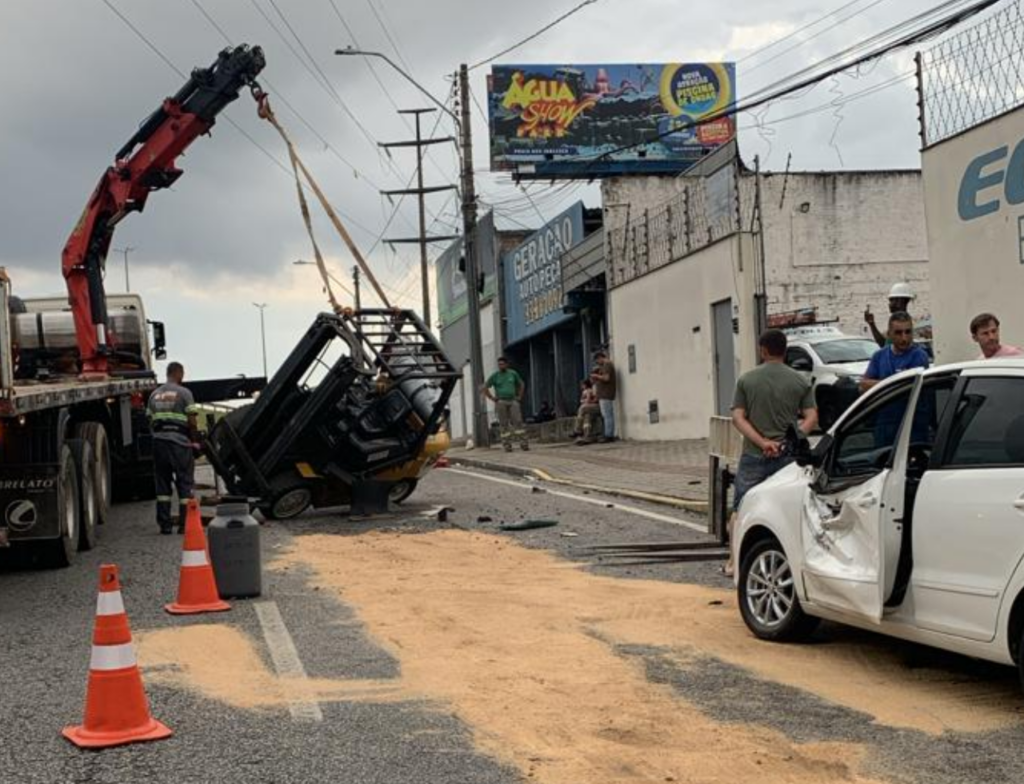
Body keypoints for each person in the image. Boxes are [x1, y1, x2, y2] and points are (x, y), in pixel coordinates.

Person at [728, 329, 818, 576]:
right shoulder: (799, 381)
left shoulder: (747, 380)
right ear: (785, 350)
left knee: (741, 508)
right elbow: (812, 416)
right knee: (784, 510)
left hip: (754, 455)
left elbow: (738, 417)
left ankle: (734, 562)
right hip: (787, 457)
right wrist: (791, 439)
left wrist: (763, 441)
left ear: (763, 350)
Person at [147, 362, 200, 535]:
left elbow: (149, 420)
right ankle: (185, 525)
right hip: (179, 443)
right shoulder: (184, 393)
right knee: (184, 482)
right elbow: (192, 421)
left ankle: (165, 525)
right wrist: (195, 441)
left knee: (162, 484)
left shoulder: (154, 394)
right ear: (180, 374)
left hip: (159, 443)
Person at [860, 312, 930, 392]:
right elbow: (863, 385)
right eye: (898, 333)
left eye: (907, 332)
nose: (904, 338)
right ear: (889, 334)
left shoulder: (919, 356)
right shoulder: (879, 356)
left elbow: (907, 387)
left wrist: (880, 384)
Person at [482, 356, 529, 452]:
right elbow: (485, 387)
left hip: (513, 401)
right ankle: (507, 445)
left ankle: (524, 443)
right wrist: (492, 398)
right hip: (501, 402)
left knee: (518, 421)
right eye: (499, 364)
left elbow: (521, 384)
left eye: (502, 364)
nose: (501, 366)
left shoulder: (512, 373)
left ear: (507, 365)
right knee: (503, 424)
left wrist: (519, 396)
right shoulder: (495, 376)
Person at [865, 282, 915, 347]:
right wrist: (872, 324)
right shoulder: (895, 321)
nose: (890, 304)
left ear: (900, 301)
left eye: (891, 300)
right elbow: (884, 345)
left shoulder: (906, 324)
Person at [590, 351, 617, 443]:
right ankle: (607, 433)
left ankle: (609, 435)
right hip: (603, 394)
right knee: (606, 415)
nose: (598, 363)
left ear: (600, 358)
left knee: (607, 415)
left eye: (597, 361)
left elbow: (606, 378)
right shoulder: (604, 365)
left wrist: (596, 376)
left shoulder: (607, 365)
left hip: (606, 393)